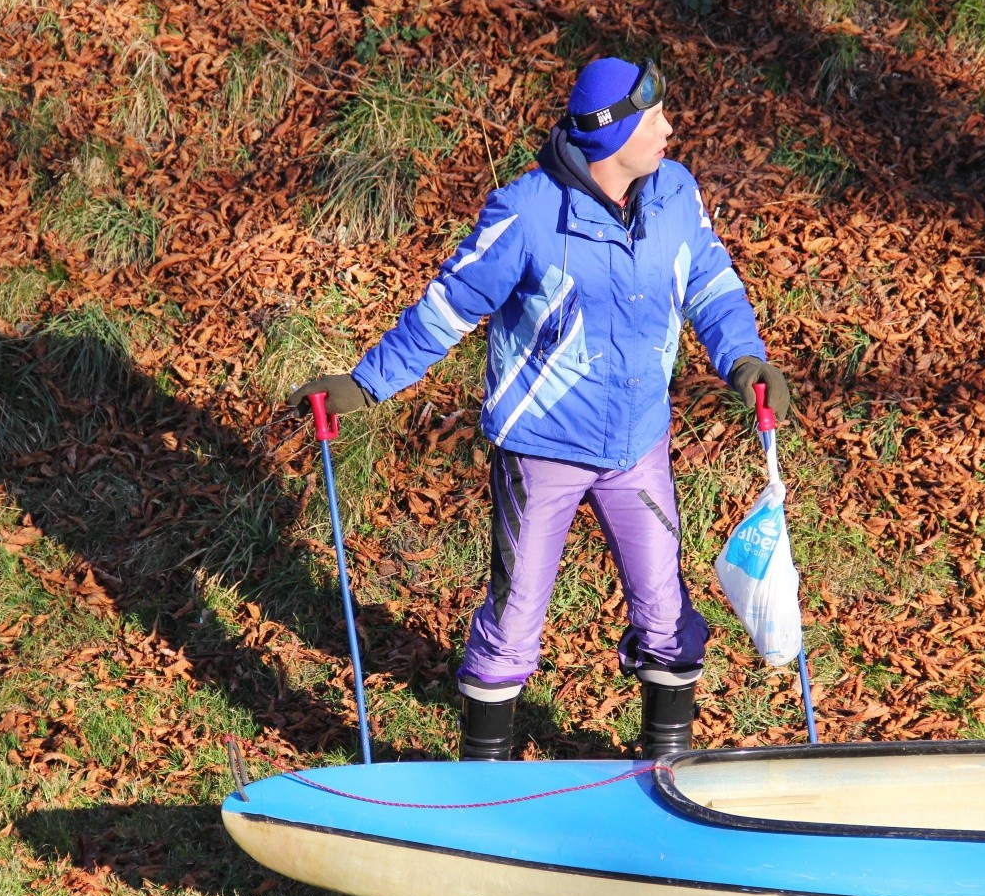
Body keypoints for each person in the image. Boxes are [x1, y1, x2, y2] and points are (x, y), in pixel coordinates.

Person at [287, 57, 789, 760]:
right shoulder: (526, 215)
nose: (670, 129)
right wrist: (365, 384)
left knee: (667, 611)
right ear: (612, 136)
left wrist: (742, 357)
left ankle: (666, 764)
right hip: (542, 450)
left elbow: (710, 281)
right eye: (655, 119)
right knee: (515, 617)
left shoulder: (674, 192)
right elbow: (446, 308)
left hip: (638, 444)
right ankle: (486, 776)